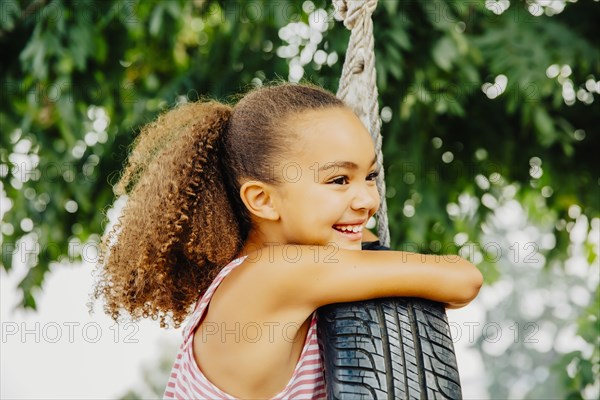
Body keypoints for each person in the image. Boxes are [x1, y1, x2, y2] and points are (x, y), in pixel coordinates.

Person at [92, 82, 483, 399]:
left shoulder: (268, 273)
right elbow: (461, 279)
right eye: (338, 180)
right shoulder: (278, 274)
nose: (369, 200)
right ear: (263, 200)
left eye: (369, 176)